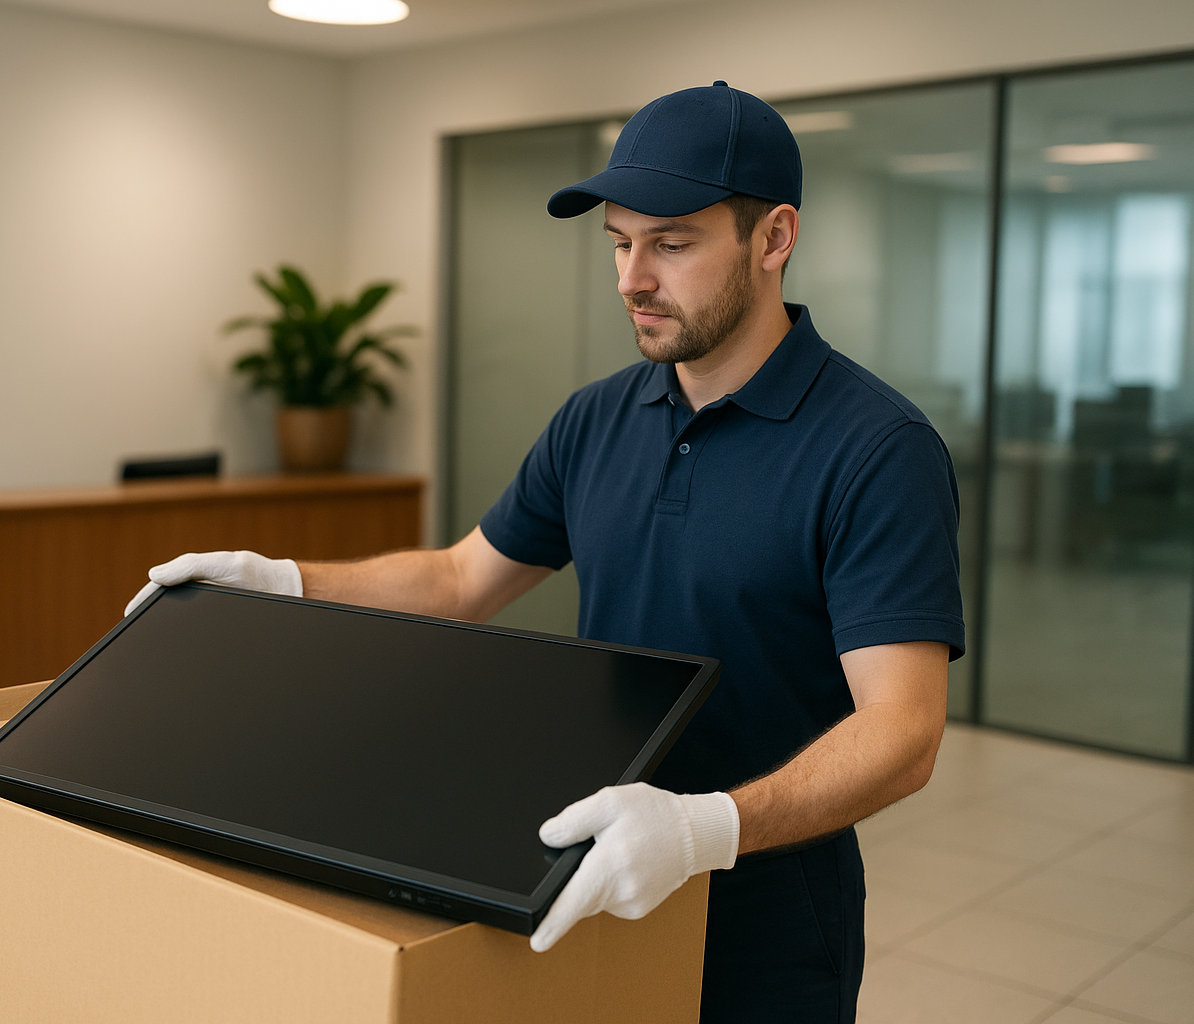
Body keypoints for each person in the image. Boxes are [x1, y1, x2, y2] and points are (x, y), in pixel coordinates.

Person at [125, 81, 963, 1023]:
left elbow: (904, 733)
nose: (631, 279)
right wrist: (281, 584)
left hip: (762, 907)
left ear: (774, 239)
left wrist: (703, 828)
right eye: (620, 242)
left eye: (672, 245)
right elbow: (460, 578)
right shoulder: (598, 418)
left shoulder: (876, 449)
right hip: (582, 876)